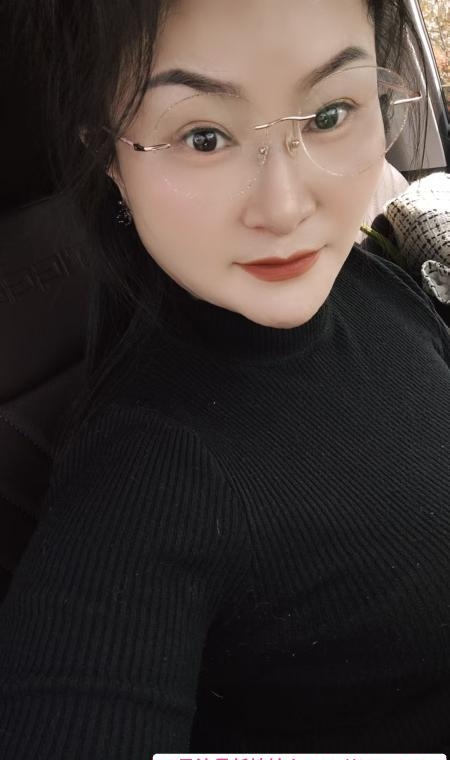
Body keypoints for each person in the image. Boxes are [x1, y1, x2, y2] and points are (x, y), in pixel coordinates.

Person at [0, 0, 449, 755]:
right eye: (203, 136)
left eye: (330, 114)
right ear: (107, 157)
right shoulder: (148, 478)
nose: (286, 208)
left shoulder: (365, 279)